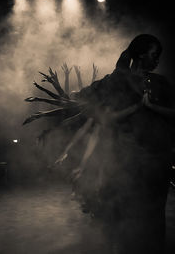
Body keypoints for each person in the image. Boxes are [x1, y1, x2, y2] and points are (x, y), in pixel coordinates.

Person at [70, 34, 175, 254]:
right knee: (126, 216)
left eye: (159, 56)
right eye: (154, 55)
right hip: (126, 162)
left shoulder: (161, 83)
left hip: (156, 163)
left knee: (153, 216)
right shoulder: (116, 81)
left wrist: (152, 107)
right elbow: (99, 112)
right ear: (139, 54)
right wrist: (136, 105)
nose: (157, 60)